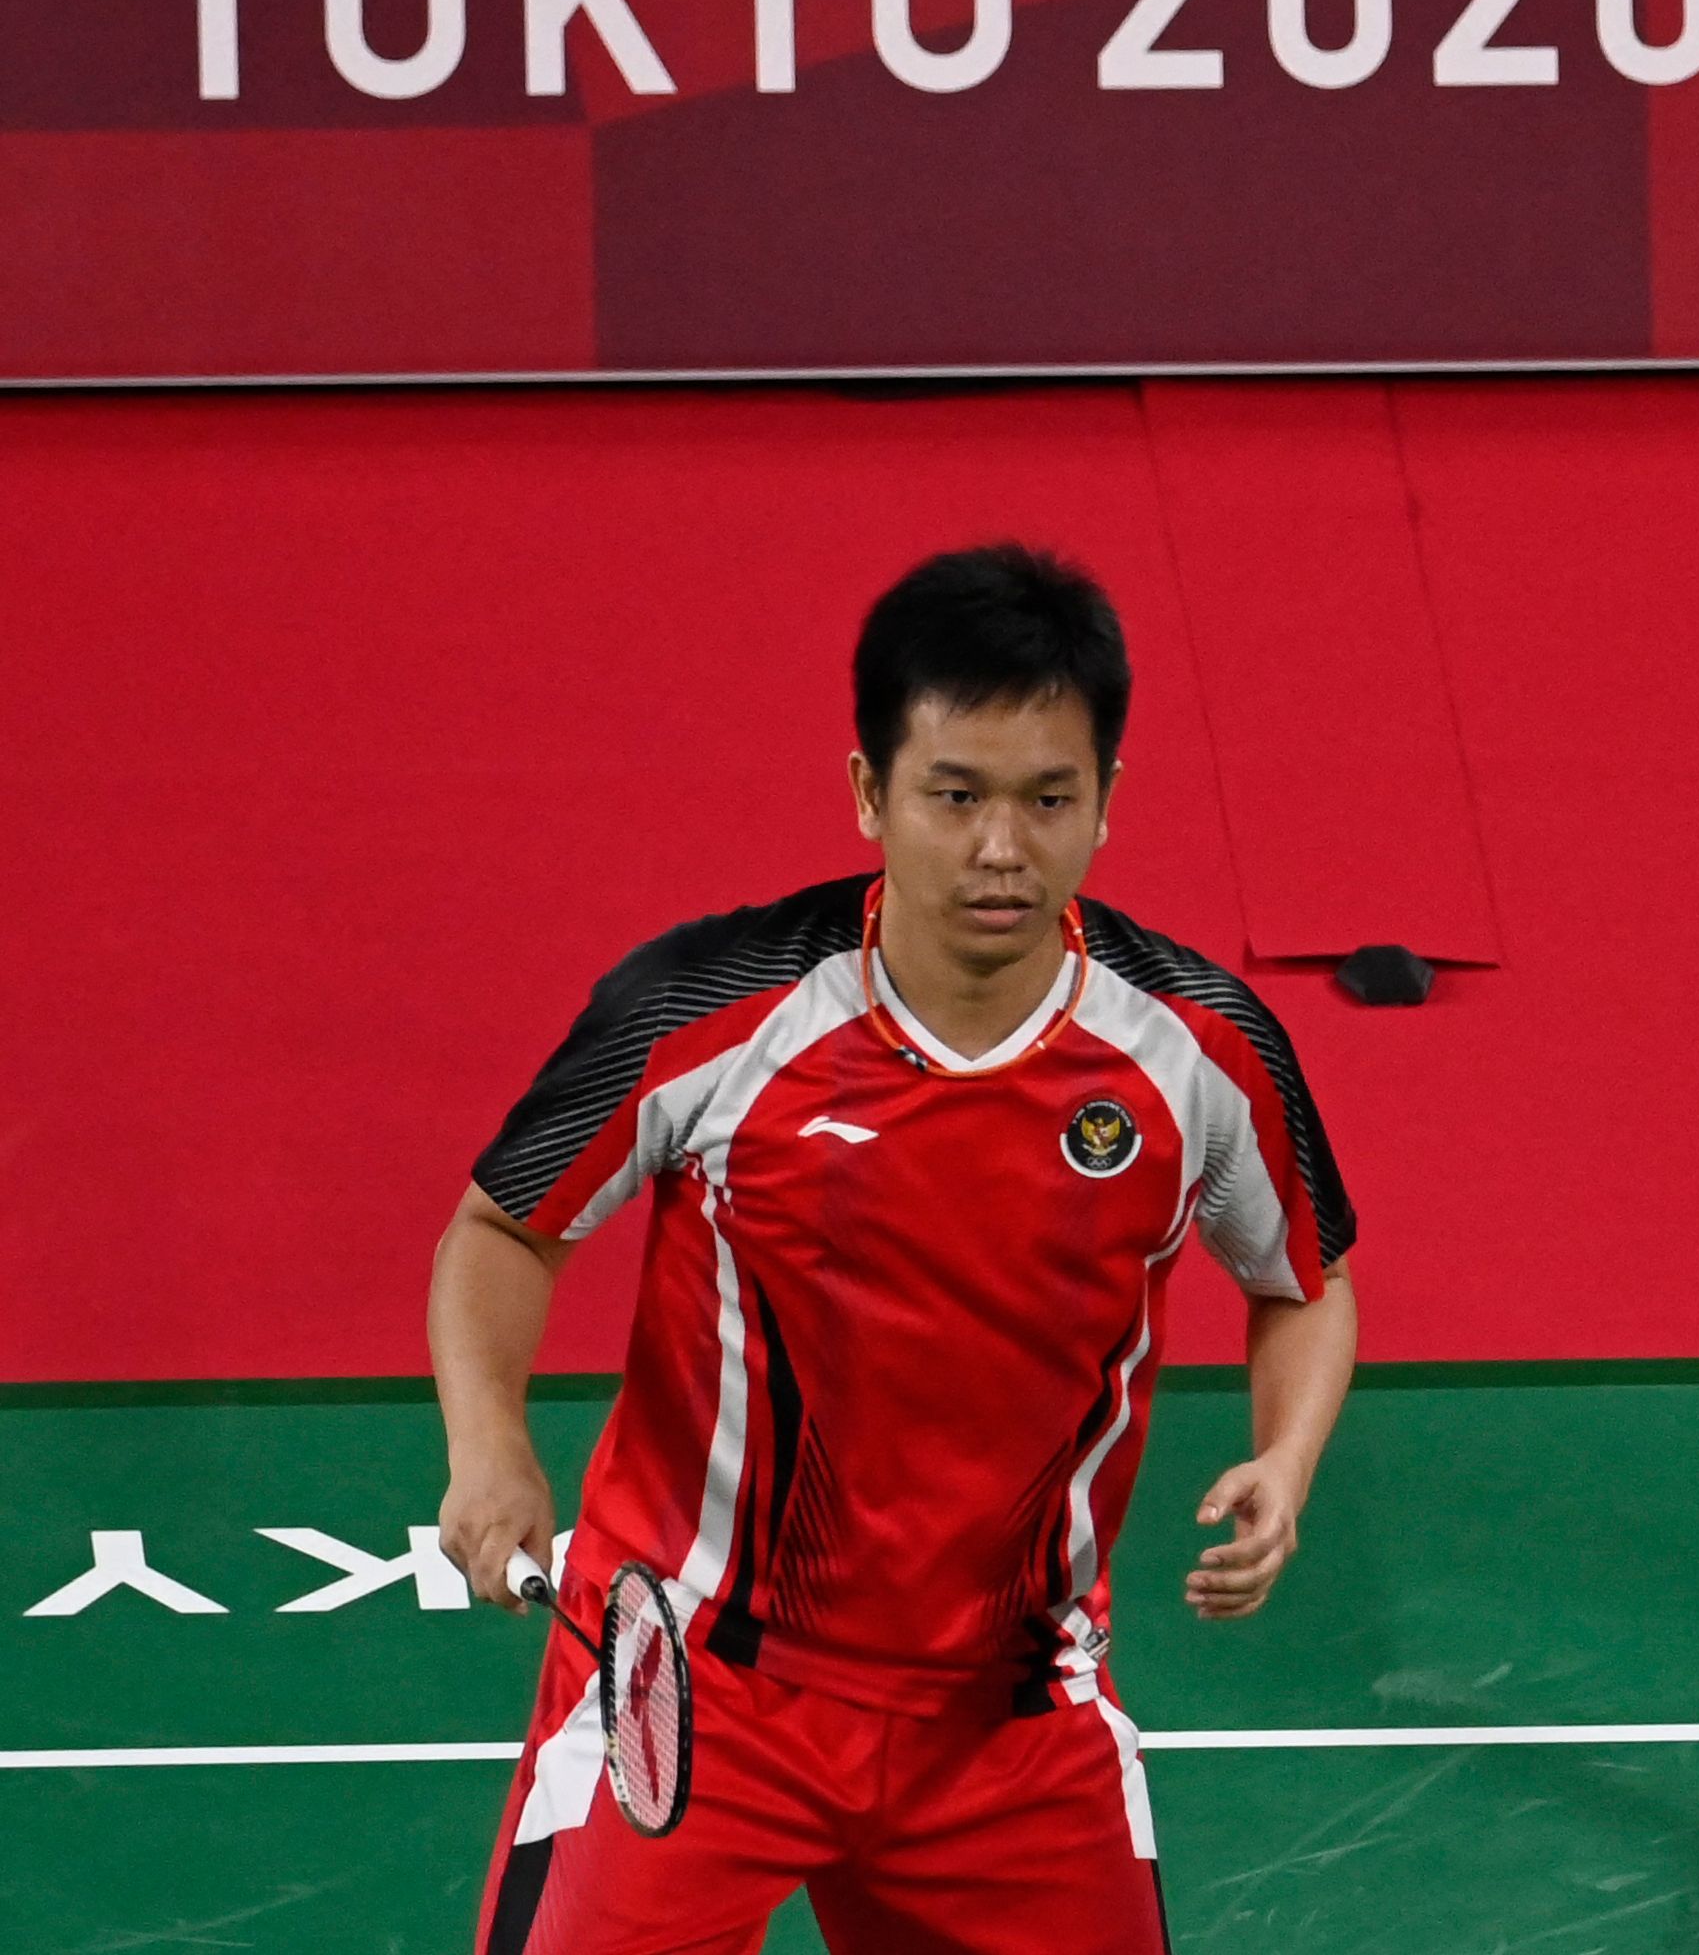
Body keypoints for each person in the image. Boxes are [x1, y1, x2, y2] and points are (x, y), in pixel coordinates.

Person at [432, 544, 1359, 1952]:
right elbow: (504, 1225)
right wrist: (489, 1442)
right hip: (695, 1685)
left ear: (1107, 805)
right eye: (957, 796)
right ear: (870, 793)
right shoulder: (716, 1014)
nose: (1003, 847)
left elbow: (1306, 1285)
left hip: (1010, 1720)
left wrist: (1286, 1463)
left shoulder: (1199, 1054)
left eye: (1051, 799)